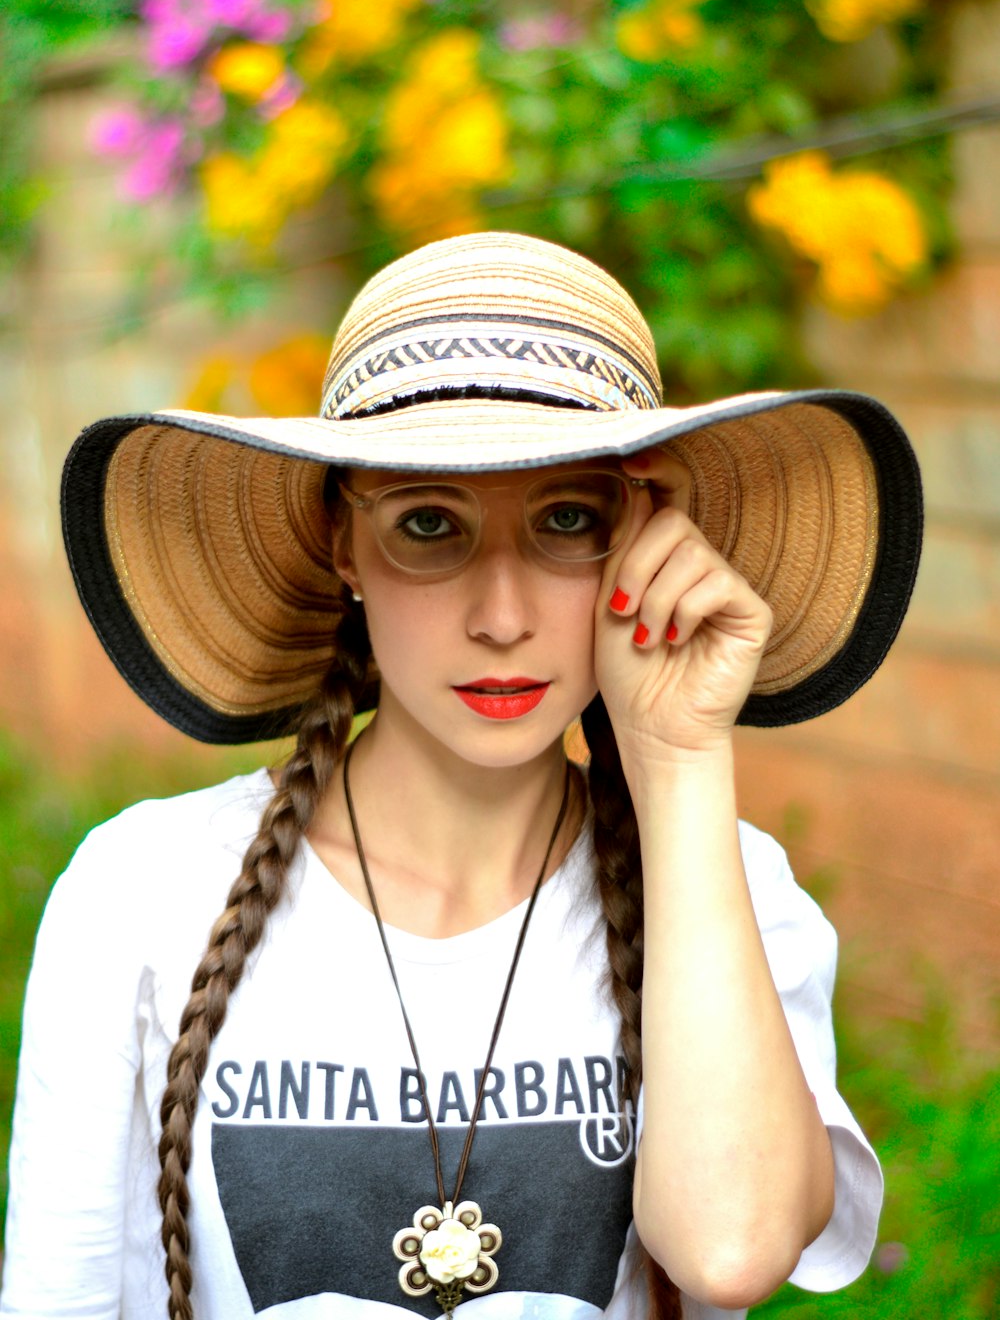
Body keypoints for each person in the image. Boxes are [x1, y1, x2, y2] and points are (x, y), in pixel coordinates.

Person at [2, 232, 921, 1320]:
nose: (501, 617)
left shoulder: (726, 890)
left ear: (644, 535)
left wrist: (675, 758)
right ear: (341, 542)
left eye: (566, 521)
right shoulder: (140, 893)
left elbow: (729, 1253)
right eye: (428, 525)